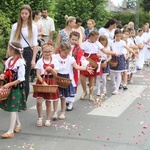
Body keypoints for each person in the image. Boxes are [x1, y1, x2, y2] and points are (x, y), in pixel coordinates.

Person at [6, 4, 38, 99]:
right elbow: (11, 41)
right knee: (13, 75)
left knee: (25, 76)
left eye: (26, 13)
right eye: (22, 13)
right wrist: (8, 55)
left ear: (29, 14)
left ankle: (23, 99)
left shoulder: (33, 27)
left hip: (27, 51)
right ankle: (13, 98)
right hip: (15, 51)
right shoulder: (15, 26)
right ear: (20, 14)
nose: (24, 15)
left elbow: (35, 44)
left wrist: (33, 59)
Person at [54, 42, 93, 119]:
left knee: (63, 97)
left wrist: (86, 68)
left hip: (66, 79)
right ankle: (55, 112)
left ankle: (62, 112)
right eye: (65, 53)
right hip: (57, 77)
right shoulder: (56, 57)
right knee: (55, 97)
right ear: (60, 50)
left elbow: (77, 67)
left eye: (68, 53)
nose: (67, 54)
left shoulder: (70, 59)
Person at [80, 30, 119, 101]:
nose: (96, 40)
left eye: (97, 38)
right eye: (95, 38)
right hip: (86, 60)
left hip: (94, 60)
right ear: (91, 37)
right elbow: (81, 52)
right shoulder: (85, 43)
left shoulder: (97, 43)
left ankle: (91, 94)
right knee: (82, 76)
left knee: (91, 77)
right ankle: (85, 91)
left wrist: (114, 53)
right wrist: (82, 57)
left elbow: (105, 51)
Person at [0, 41, 27, 138]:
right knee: (13, 107)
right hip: (10, 87)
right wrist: (3, 76)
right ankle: (18, 124)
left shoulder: (20, 62)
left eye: (8, 48)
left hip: (16, 88)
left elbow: (21, 78)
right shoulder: (9, 61)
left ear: (13, 50)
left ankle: (10, 131)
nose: (7, 50)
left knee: (12, 108)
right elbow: (7, 72)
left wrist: (9, 84)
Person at [33, 42, 59, 127]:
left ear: (52, 52)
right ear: (42, 52)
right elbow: (37, 74)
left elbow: (56, 75)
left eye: (49, 52)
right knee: (39, 101)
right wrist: (42, 81)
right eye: (45, 52)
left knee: (48, 102)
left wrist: (51, 70)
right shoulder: (40, 61)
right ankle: (39, 117)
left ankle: (47, 119)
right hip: (41, 81)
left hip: (51, 81)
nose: (47, 53)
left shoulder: (55, 61)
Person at [110, 29, 135, 95]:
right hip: (113, 57)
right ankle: (114, 84)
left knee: (119, 73)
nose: (118, 37)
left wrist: (133, 52)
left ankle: (116, 88)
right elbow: (110, 49)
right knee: (112, 73)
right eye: (117, 36)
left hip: (120, 57)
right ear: (115, 35)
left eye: (119, 36)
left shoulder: (122, 42)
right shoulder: (112, 42)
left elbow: (127, 48)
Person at [65, 31, 83, 111]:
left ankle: (71, 102)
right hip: (65, 68)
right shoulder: (65, 46)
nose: (74, 41)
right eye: (73, 39)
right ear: (69, 38)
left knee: (73, 84)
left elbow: (80, 59)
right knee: (65, 83)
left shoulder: (78, 49)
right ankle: (66, 99)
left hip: (74, 68)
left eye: (76, 40)